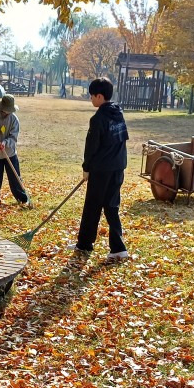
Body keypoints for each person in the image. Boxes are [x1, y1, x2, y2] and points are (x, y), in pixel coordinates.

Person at [73, 77, 129, 263]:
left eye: (92, 96)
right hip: (118, 167)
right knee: (112, 206)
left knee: (92, 206)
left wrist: (86, 168)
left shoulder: (98, 119)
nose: (90, 99)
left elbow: (91, 147)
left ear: (99, 96)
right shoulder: (118, 113)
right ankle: (118, 248)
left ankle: (85, 244)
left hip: (102, 170)